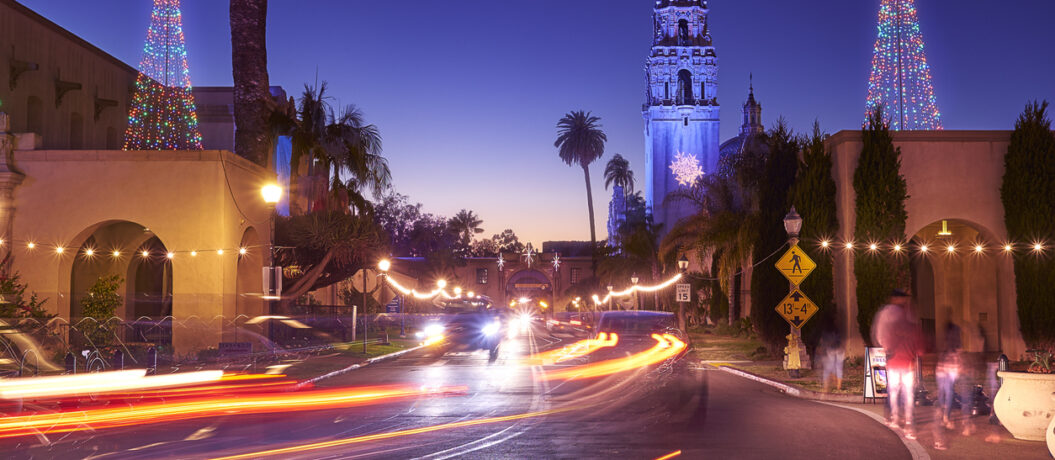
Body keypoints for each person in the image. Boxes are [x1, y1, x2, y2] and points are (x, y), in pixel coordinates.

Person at [872, 289, 924, 440]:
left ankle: (895, 418)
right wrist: (916, 356)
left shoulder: (891, 321)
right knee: (908, 395)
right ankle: (908, 424)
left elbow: (885, 339)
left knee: (894, 392)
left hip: (894, 362)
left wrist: (886, 349)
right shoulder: (912, 323)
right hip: (907, 363)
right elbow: (920, 346)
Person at [933, 317, 962, 450]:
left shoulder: (943, 342)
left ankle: (942, 414)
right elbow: (958, 355)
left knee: (943, 392)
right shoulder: (956, 343)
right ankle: (946, 417)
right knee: (949, 392)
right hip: (950, 368)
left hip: (941, 369)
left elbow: (939, 355)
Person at [817, 315, 845, 392]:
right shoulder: (836, 329)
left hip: (831, 350)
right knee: (839, 367)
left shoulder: (825, 330)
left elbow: (824, 342)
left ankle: (827, 386)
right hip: (839, 349)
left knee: (830, 368)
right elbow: (839, 339)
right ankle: (839, 386)